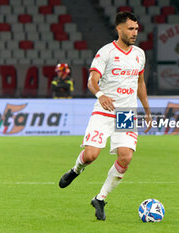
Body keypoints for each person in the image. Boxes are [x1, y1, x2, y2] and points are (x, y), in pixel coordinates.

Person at [58, 12, 152, 221]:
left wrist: (146, 110)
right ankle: (76, 170)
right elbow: (92, 80)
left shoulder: (139, 54)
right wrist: (100, 95)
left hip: (126, 113)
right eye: (130, 29)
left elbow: (140, 84)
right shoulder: (106, 52)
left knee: (125, 157)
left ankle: (100, 198)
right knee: (91, 155)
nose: (135, 33)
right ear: (119, 29)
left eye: (136, 29)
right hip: (104, 110)